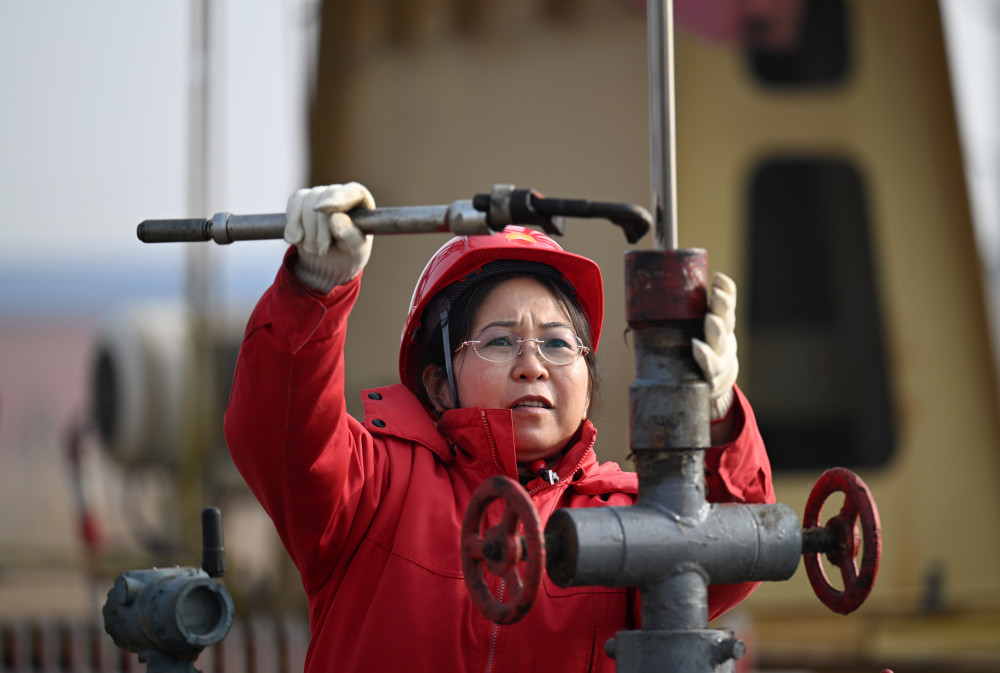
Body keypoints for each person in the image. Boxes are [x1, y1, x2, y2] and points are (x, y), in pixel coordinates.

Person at [224, 183, 774, 672]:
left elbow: (739, 543)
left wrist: (716, 410)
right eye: (499, 340)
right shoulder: (374, 487)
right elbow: (279, 434)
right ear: (438, 385)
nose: (532, 364)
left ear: (588, 377)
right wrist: (314, 288)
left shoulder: (635, 519)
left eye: (559, 343)